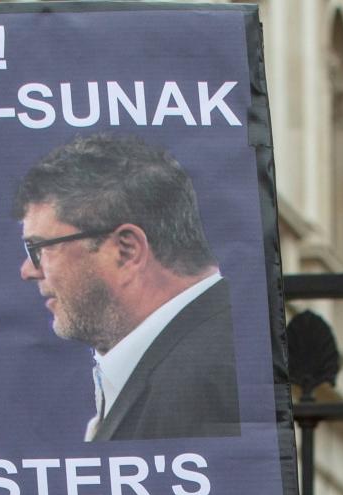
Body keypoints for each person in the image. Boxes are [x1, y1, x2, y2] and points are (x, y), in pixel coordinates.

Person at [14, 134, 240, 442]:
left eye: (39, 248)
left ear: (126, 250)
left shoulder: (207, 382)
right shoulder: (212, 351)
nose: (29, 270)